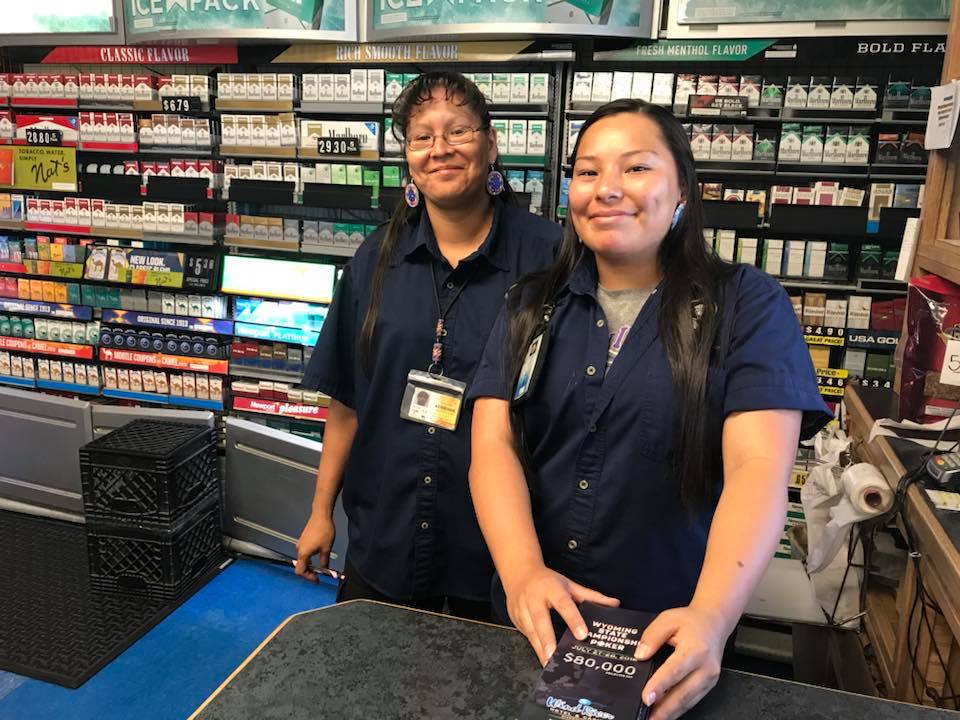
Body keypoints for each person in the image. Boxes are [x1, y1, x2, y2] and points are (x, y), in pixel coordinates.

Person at [468, 98, 832, 718]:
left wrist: (712, 615)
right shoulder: (531, 303)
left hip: (669, 636)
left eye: (636, 168)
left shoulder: (745, 305)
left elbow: (757, 469)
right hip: (535, 624)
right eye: (588, 171)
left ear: (682, 190)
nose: (607, 188)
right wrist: (524, 572)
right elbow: (493, 446)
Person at [294, 71, 560, 621]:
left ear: (491, 144)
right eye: (422, 137)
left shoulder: (550, 257)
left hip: (499, 555)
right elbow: (348, 401)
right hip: (386, 539)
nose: (440, 149)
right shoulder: (375, 259)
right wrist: (320, 512)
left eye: (458, 131)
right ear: (409, 159)